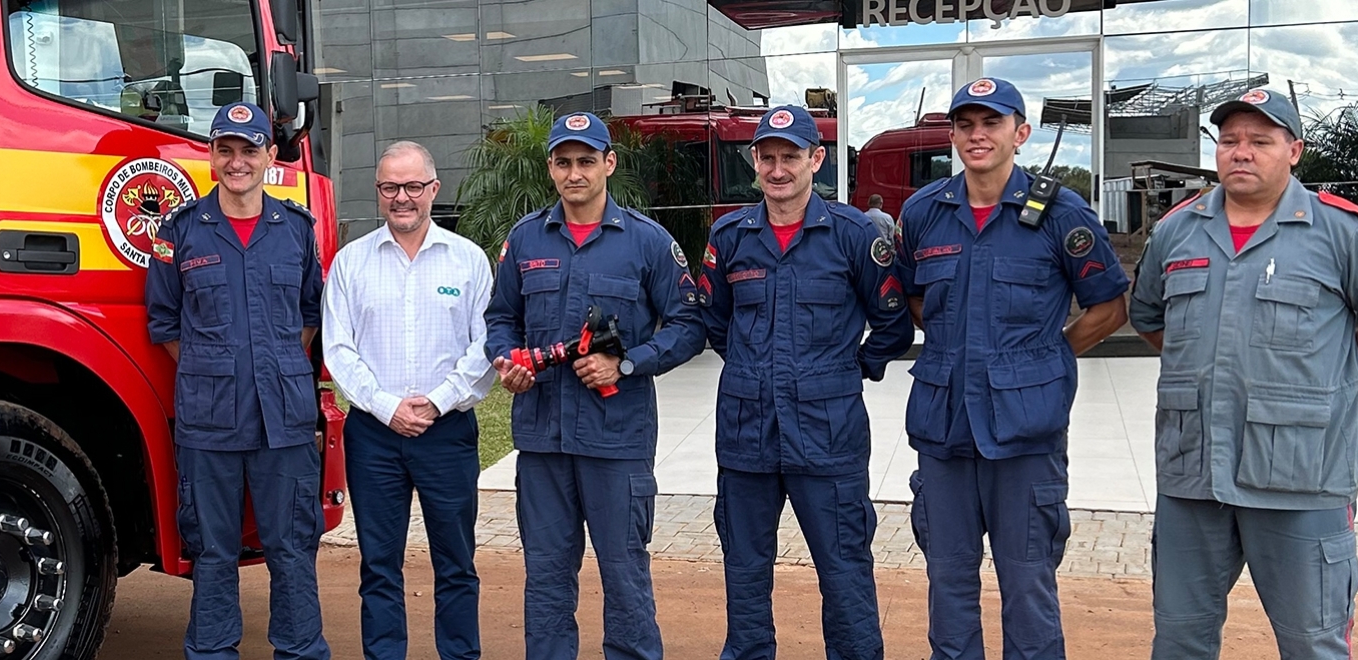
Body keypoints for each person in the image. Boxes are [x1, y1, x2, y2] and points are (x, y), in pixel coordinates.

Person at [1129, 89, 1358, 660]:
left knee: (1313, 644)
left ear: (1294, 151)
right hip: (1193, 474)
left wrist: (1331, 371)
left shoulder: (1341, 231)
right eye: (1230, 141)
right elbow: (1150, 317)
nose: (1241, 153)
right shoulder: (1177, 231)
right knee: (1180, 639)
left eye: (1260, 141)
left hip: (1301, 478)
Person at [893, 77, 1131, 659]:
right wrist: (954, 342)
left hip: (1025, 433)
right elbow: (914, 296)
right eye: (965, 125)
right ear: (951, 136)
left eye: (992, 123)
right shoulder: (923, 213)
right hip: (944, 427)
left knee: (1027, 586)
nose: (978, 135)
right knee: (948, 582)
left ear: (1019, 133)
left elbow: (1109, 305)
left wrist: (1044, 360)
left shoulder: (1059, 212)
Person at [484, 111, 705, 660]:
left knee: (625, 577)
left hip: (617, 442)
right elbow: (500, 318)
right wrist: (507, 361)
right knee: (547, 580)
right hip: (542, 442)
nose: (574, 173)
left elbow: (689, 325)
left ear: (609, 163)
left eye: (586, 161)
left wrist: (627, 364)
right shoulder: (526, 238)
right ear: (551, 168)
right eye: (563, 162)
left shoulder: (648, 243)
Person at [700, 105, 911, 660]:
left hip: (829, 437)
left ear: (815, 159)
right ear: (754, 163)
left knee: (844, 571)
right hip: (747, 437)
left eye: (790, 156)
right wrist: (755, 369)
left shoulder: (853, 234)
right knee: (745, 572)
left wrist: (846, 371)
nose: (778, 169)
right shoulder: (730, 237)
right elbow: (715, 322)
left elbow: (892, 325)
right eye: (767, 157)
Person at [145, 101, 328, 660]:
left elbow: (309, 315)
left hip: (284, 419)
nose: (237, 161)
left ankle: (300, 651)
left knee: (292, 547)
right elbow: (164, 321)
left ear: (270, 157)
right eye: (226, 150)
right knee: (214, 551)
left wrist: (270, 366)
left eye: (249, 150)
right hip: (209, 421)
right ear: (211, 156)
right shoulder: (179, 233)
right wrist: (214, 368)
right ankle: (212, 651)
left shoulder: (296, 229)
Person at [322, 141, 496, 660]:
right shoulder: (351, 263)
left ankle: (460, 654)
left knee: (457, 562)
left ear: (433, 190)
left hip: (447, 435)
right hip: (374, 436)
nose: (403, 198)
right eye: (391, 188)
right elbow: (338, 348)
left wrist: (438, 403)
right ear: (378, 193)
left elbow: (485, 347)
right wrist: (386, 406)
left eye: (413, 187)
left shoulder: (468, 261)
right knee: (378, 565)